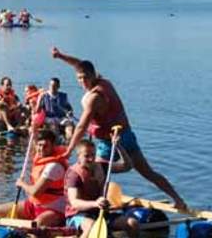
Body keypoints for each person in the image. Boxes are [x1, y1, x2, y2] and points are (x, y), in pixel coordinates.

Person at [51, 47, 187, 210]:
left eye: (86, 78)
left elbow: (81, 126)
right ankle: (178, 199)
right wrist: (60, 56)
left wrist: (69, 148)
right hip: (126, 135)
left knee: (92, 168)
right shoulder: (103, 81)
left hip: (110, 142)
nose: (83, 81)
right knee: (146, 172)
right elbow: (79, 64)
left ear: (93, 75)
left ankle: (93, 204)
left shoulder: (94, 97)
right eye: (79, 78)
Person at [0, 129, 67, 227]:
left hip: (54, 209)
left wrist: (21, 183)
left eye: (45, 146)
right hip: (34, 205)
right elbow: (32, 143)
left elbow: (36, 192)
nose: (41, 149)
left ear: (53, 146)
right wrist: (33, 129)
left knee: (37, 224)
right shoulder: (40, 157)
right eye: (39, 145)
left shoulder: (54, 166)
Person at [65, 140, 138, 238]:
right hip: (78, 215)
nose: (91, 159)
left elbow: (127, 166)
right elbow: (74, 202)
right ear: (78, 156)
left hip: (101, 213)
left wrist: (118, 146)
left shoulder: (101, 166)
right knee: (92, 226)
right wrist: (95, 203)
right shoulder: (74, 174)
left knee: (132, 223)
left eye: (93, 155)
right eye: (86, 156)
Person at [37, 77, 75, 142]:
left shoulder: (63, 96)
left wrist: (70, 112)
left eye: (54, 86)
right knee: (54, 128)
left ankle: (68, 142)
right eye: (51, 85)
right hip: (49, 118)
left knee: (70, 126)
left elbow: (69, 108)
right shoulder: (44, 96)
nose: (52, 87)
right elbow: (37, 111)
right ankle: (56, 142)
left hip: (61, 118)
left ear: (58, 86)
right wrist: (39, 99)